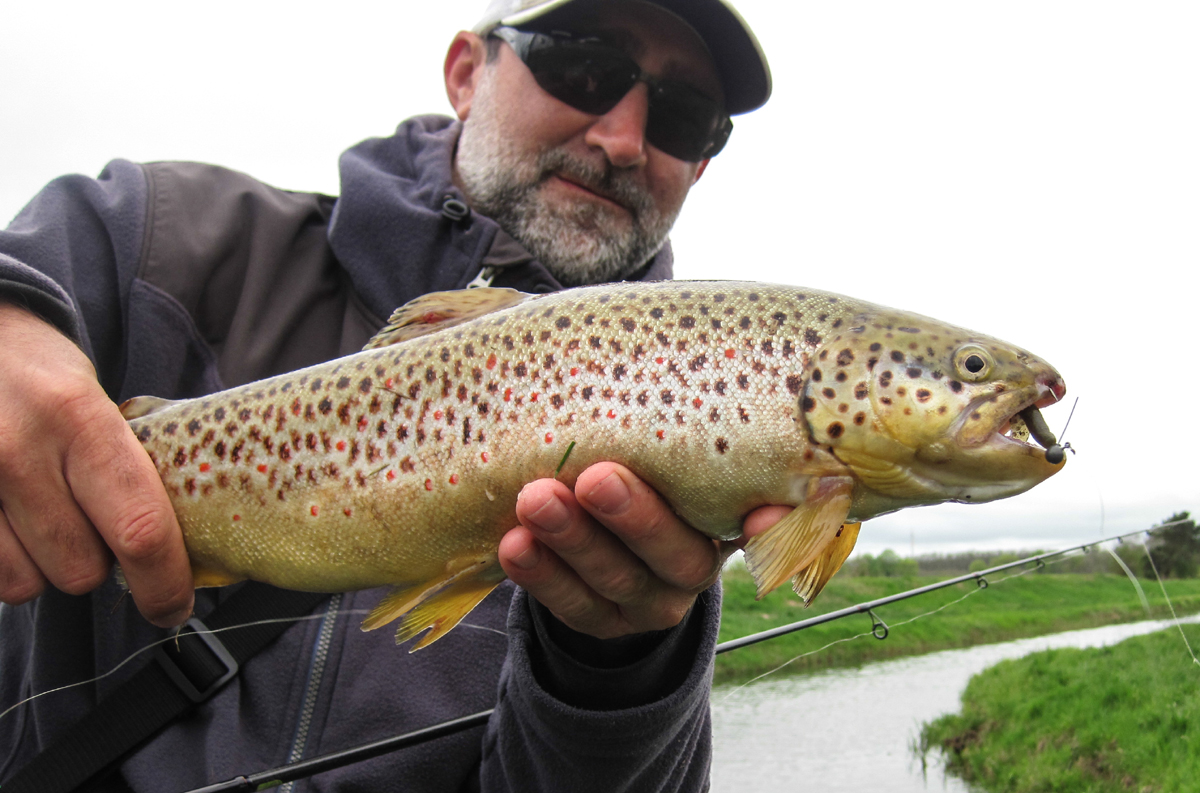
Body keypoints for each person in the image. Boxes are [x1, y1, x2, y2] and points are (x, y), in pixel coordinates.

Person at [0, 0, 779, 789]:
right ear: (467, 74)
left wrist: (618, 668)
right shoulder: (152, 239)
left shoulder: (698, 436)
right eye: (584, 67)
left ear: (705, 162)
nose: (622, 140)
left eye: (684, 116)